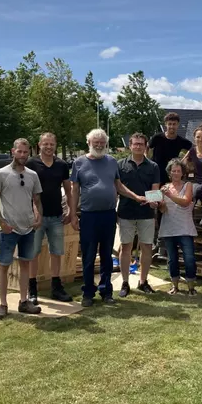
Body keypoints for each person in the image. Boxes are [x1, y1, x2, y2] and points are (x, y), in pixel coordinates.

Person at [70, 128, 148, 307]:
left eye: (102, 142)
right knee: (89, 255)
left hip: (108, 214)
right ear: (88, 143)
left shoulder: (112, 162)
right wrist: (73, 213)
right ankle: (88, 292)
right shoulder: (79, 163)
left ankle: (106, 291)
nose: (98, 145)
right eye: (95, 142)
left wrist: (136, 197)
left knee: (106, 254)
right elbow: (74, 190)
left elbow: (119, 186)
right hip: (89, 215)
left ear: (105, 144)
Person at [0, 138, 44, 319]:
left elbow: (37, 200)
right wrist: (2, 223)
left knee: (25, 264)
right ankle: (3, 304)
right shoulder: (1, 174)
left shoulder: (32, 175)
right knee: (3, 265)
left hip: (28, 228)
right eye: (19, 152)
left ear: (29, 153)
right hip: (9, 229)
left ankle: (23, 301)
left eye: (25, 152)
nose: (22, 155)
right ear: (13, 151)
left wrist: (39, 217)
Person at [25, 132, 74, 303]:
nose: (48, 147)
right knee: (33, 252)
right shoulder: (31, 163)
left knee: (57, 252)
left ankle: (56, 287)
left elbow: (68, 190)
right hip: (36, 217)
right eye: (45, 144)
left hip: (56, 216)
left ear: (55, 145)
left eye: (51, 144)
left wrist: (70, 210)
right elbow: (26, 191)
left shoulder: (61, 165)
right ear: (39, 145)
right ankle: (32, 289)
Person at [117, 133, 161, 297]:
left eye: (141, 144)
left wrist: (153, 200)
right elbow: (118, 187)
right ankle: (125, 282)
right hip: (126, 212)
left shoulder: (153, 166)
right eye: (135, 144)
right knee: (126, 247)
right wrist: (136, 197)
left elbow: (155, 188)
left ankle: (143, 282)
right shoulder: (120, 165)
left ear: (145, 146)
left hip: (146, 213)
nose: (138, 147)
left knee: (146, 247)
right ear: (130, 146)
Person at [158, 159, 197, 295]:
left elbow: (185, 202)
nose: (175, 173)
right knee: (172, 259)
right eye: (173, 170)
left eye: (178, 171)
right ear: (169, 172)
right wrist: (158, 203)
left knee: (189, 258)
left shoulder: (188, 185)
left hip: (185, 228)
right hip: (169, 228)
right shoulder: (165, 187)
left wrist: (169, 195)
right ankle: (175, 286)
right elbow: (163, 210)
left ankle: (191, 286)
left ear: (182, 173)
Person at [149, 112, 193, 185]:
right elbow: (147, 146)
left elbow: (192, 148)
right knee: (153, 194)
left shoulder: (181, 141)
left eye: (174, 124)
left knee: (168, 194)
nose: (172, 126)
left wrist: (184, 160)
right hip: (155, 171)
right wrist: (146, 159)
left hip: (170, 174)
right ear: (166, 124)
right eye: (169, 124)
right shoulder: (157, 137)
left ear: (178, 125)